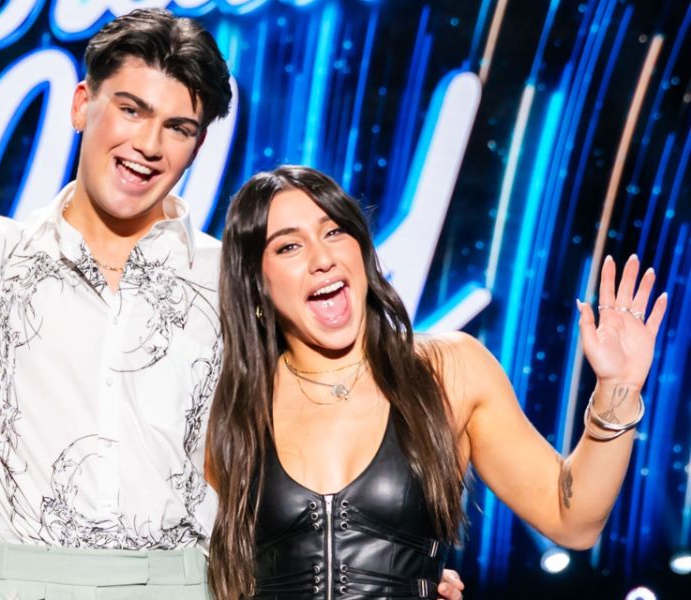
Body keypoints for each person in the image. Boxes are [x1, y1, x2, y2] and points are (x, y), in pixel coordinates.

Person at [0, 10, 464, 599]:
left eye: (177, 128)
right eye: (130, 109)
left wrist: (389, 570)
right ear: (83, 104)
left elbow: (334, 405)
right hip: (21, 579)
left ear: (198, 146)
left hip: (194, 581)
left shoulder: (235, 278)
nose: (148, 144)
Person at [206, 166, 666, 599]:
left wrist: (618, 388)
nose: (322, 258)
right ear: (256, 282)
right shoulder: (231, 405)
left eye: (334, 232)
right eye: (289, 246)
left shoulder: (449, 370)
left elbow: (573, 519)